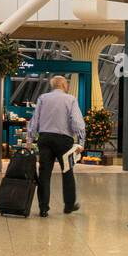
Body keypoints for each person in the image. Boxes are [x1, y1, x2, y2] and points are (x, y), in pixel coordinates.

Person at [27, 75, 86, 217]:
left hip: (45, 138)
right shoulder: (71, 99)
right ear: (64, 85)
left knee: (44, 174)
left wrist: (29, 139)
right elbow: (77, 122)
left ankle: (43, 208)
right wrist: (81, 142)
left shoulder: (42, 98)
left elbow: (35, 120)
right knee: (67, 171)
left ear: (53, 85)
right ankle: (69, 205)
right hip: (64, 141)